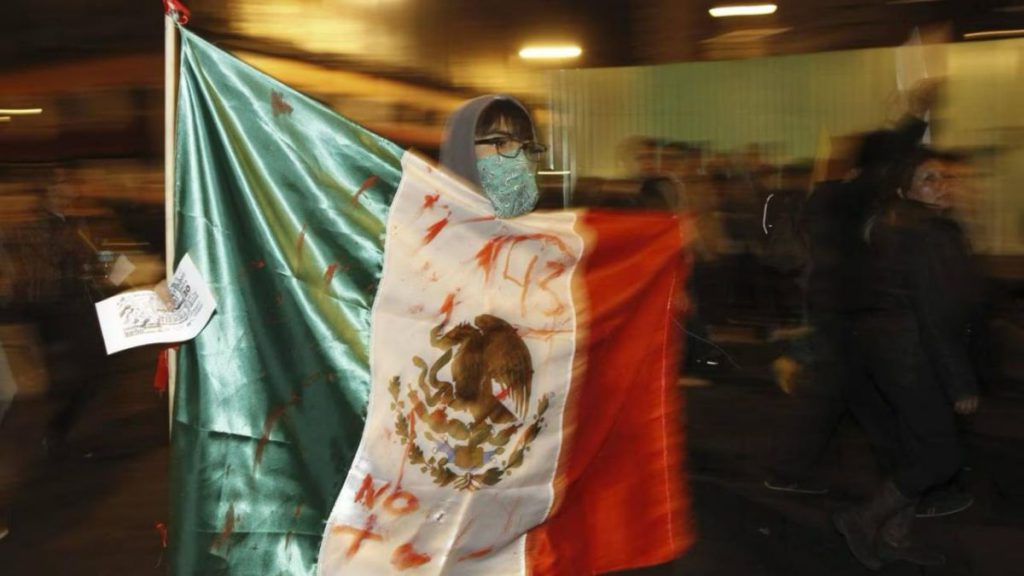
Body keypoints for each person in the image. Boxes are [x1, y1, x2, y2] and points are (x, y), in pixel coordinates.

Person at [835, 147, 981, 569]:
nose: (942, 185)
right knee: (941, 456)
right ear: (906, 190)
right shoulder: (924, 232)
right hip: (915, 359)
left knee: (917, 449)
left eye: (944, 177)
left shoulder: (903, 224)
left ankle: (895, 538)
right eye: (928, 179)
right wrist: (960, 383)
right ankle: (862, 520)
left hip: (897, 355)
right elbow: (934, 312)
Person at [439, 95, 547, 219]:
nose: (522, 162)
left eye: (526, 148)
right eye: (501, 143)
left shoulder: (534, 228)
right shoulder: (430, 225)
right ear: (463, 149)